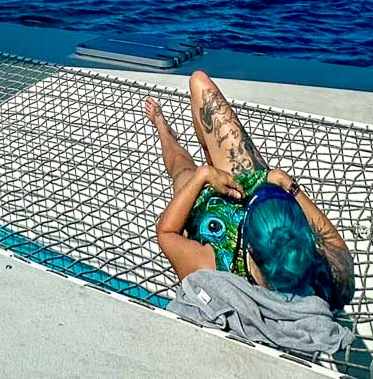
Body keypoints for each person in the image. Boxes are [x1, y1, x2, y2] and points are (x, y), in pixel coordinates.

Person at [144, 71, 355, 309]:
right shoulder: (330, 278)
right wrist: (289, 187)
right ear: (304, 240)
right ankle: (208, 155)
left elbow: (166, 233)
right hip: (259, 201)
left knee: (181, 170)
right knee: (199, 85)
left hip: (209, 217)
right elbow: (335, 244)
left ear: (250, 244)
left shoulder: (213, 268)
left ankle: (164, 129)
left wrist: (203, 176)